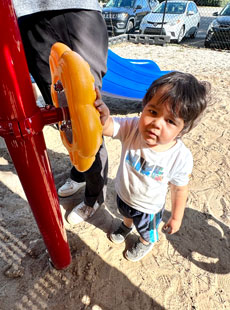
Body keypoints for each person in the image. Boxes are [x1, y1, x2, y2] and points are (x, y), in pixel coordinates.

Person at [93, 71, 210, 262]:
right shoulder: (132, 128)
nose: (156, 123)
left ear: (183, 128)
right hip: (124, 194)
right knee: (125, 215)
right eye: (153, 112)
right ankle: (126, 225)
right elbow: (107, 127)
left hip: (149, 209)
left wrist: (176, 217)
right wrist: (104, 117)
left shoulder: (180, 157)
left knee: (148, 231)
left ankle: (146, 242)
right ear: (144, 106)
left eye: (170, 121)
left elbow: (179, 189)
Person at [13, 0, 109, 222]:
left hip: (78, 8)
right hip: (29, 14)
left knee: (89, 116)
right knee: (62, 113)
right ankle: (80, 172)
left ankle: (93, 198)